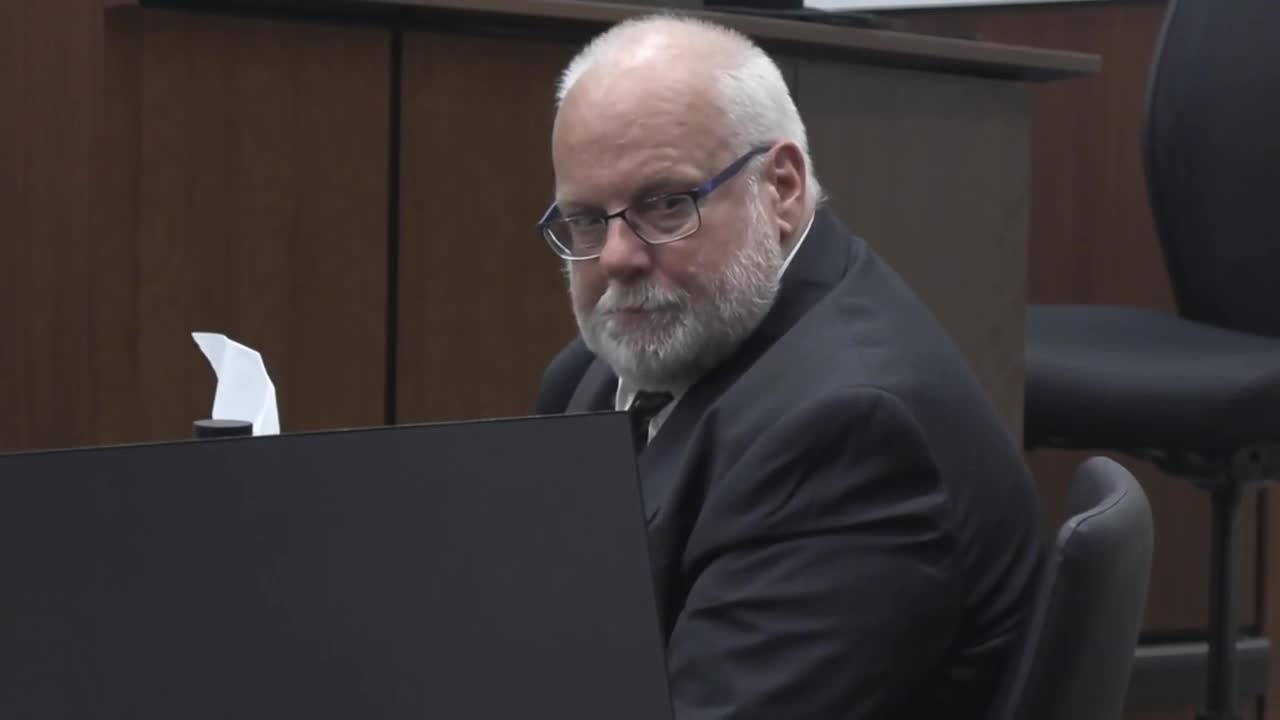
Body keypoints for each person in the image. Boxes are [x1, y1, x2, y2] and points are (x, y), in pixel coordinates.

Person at [533, 14, 1043, 719]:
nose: (617, 257)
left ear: (781, 187)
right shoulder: (591, 378)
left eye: (666, 204)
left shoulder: (851, 436)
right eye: (587, 220)